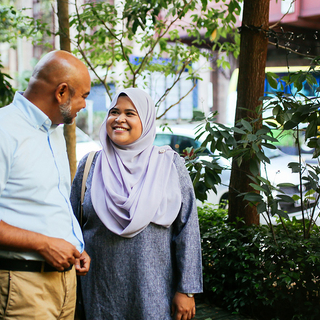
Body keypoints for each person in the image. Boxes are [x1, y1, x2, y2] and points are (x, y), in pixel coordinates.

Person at [70, 88, 203, 320]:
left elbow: (188, 230)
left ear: (146, 121)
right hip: (99, 292)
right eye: (114, 112)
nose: (119, 119)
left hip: (153, 293)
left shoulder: (169, 165)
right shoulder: (90, 165)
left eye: (130, 113)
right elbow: (71, 224)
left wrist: (186, 290)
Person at [0, 50, 91, 320]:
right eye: (83, 96)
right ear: (61, 92)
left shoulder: (54, 131)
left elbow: (47, 202)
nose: (85, 105)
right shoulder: (4, 129)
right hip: (23, 286)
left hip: (64, 284)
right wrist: (43, 244)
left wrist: (75, 244)